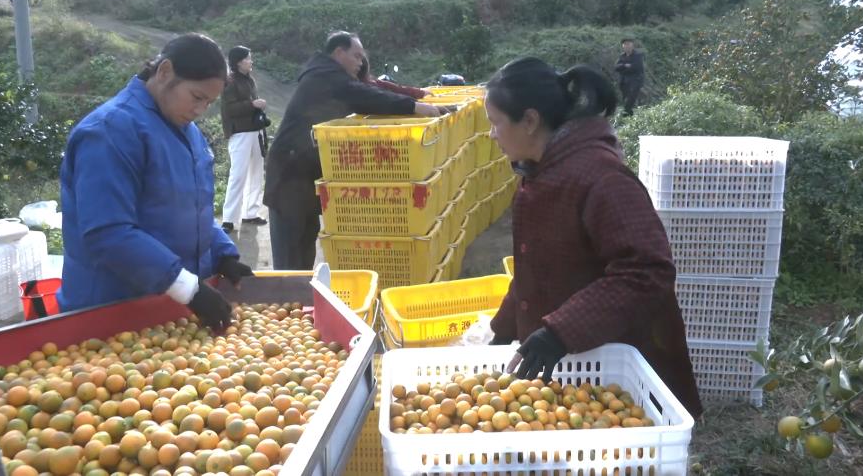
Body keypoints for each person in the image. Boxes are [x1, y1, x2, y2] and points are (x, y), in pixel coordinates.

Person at [485, 57, 703, 419]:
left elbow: (647, 270)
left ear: (529, 121)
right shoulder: (540, 173)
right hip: (574, 374)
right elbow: (535, 267)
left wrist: (558, 332)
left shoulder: (601, 178)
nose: (492, 135)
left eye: (495, 123)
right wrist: (503, 331)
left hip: (616, 371)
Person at [58, 34, 254, 331]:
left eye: (209, 103)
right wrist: (189, 288)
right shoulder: (111, 131)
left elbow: (191, 208)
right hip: (111, 312)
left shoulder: (187, 130)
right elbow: (107, 232)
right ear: (165, 72)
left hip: (167, 310)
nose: (200, 110)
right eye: (197, 97)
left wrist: (222, 253)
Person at [264, 31, 443, 270]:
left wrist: (414, 100)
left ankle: (301, 298)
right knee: (290, 246)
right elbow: (366, 95)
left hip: (302, 171)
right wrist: (414, 106)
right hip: (289, 172)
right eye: (356, 56)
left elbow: (374, 90)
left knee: (305, 238)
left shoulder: (328, 74)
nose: (360, 62)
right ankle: (286, 296)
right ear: (339, 53)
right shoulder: (325, 76)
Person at [220, 46, 268, 232]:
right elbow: (229, 109)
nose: (251, 61)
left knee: (256, 173)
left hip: (255, 132)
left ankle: (250, 213)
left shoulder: (250, 80)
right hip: (240, 133)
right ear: (239, 61)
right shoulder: (230, 82)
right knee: (237, 176)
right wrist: (252, 104)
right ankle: (229, 220)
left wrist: (256, 105)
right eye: (248, 58)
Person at [356, 56, 431, 100]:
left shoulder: (370, 85)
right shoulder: (368, 88)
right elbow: (395, 94)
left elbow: (397, 89)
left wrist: (420, 92)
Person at [614, 38, 645, 117]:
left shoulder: (637, 55)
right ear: (623, 46)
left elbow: (636, 67)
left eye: (628, 44)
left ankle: (625, 113)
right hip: (624, 81)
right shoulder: (622, 56)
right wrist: (625, 65)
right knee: (625, 98)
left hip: (635, 80)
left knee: (631, 97)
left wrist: (624, 68)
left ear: (632, 46)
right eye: (625, 44)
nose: (627, 46)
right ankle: (629, 115)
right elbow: (616, 67)